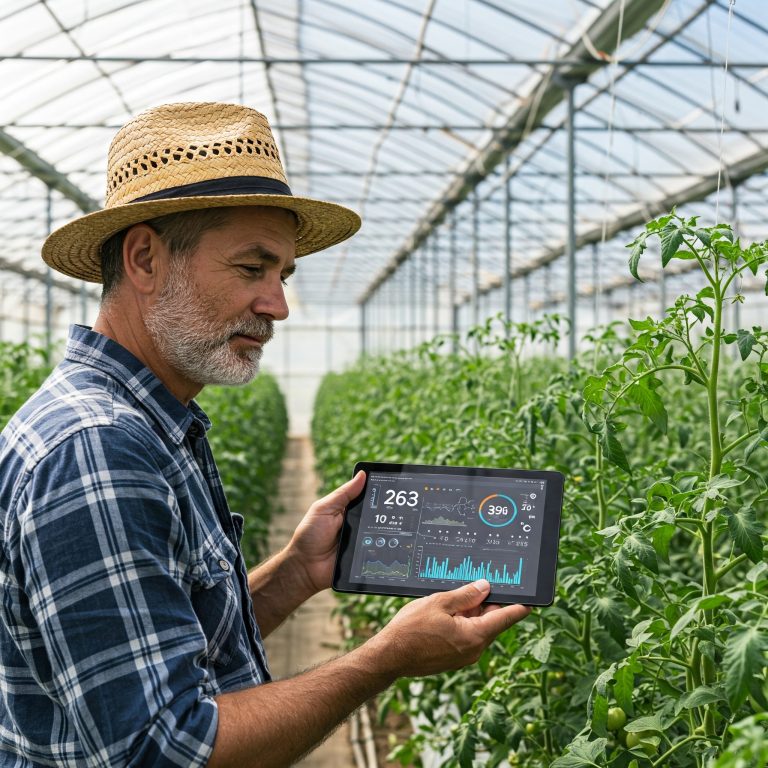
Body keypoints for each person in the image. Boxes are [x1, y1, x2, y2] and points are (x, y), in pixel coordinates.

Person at [0, 102, 530, 768]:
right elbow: (167, 749)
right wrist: (384, 658)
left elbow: (157, 640)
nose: (277, 305)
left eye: (282, 275)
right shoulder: (98, 450)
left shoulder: (142, 423)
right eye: (252, 269)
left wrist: (297, 572)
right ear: (144, 259)